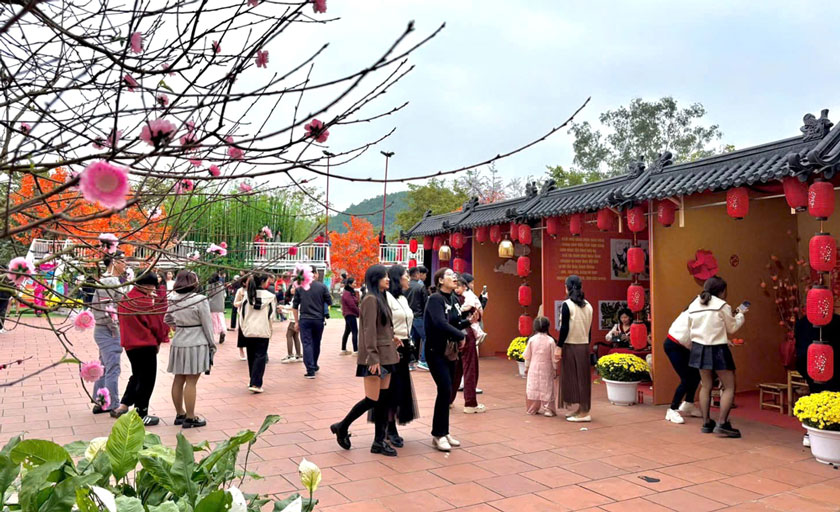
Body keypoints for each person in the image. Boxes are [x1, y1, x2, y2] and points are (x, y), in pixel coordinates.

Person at [330, 265, 400, 456]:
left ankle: (378, 442)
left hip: (386, 354)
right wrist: (373, 356)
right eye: (384, 276)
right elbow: (368, 330)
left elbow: (380, 327)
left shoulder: (381, 298)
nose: (388, 279)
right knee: (372, 399)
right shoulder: (370, 299)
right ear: (375, 278)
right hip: (375, 357)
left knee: (383, 401)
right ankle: (342, 426)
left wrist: (392, 338)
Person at [687, 275, 746, 438]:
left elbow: (690, 327)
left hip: (699, 348)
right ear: (721, 291)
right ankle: (722, 423)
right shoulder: (722, 306)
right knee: (729, 386)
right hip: (718, 349)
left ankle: (706, 423)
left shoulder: (694, 304)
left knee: (705, 386)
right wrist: (740, 314)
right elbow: (732, 327)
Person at [110, 272, 169, 425]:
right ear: (149, 285)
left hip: (130, 344)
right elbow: (155, 324)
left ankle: (124, 405)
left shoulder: (127, 298)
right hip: (145, 344)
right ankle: (141, 413)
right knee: (147, 379)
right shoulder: (144, 301)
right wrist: (159, 340)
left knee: (137, 375)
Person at [424, 267, 469, 451]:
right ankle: (438, 434)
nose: (454, 277)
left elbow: (455, 321)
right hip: (436, 351)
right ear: (440, 280)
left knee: (448, 390)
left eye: (455, 275)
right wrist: (461, 335)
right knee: (444, 389)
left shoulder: (453, 299)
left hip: (450, 351)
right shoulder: (435, 299)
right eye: (450, 275)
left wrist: (469, 321)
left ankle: (445, 430)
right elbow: (439, 323)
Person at [165, 270, 216, 428]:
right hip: (196, 341)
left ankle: (180, 413)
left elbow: (166, 318)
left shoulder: (172, 299)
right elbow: (207, 324)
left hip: (179, 340)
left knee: (178, 379)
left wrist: (178, 325)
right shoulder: (199, 299)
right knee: (192, 382)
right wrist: (212, 345)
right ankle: (191, 417)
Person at [383, 265, 419, 446]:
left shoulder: (403, 298)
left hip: (405, 346)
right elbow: (381, 324)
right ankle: (389, 427)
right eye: (406, 275)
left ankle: (391, 426)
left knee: (400, 387)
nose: (409, 278)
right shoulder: (386, 298)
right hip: (392, 346)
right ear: (398, 278)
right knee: (391, 387)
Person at [795, 309, 840, 447]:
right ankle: (818, 430)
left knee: (818, 394)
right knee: (826, 394)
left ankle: (814, 431)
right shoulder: (836, 320)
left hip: (813, 366)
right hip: (824, 366)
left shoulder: (803, 322)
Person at [91, 252, 127, 414]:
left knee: (104, 367)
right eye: (123, 261)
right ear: (114, 262)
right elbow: (109, 312)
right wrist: (116, 331)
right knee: (112, 368)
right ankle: (113, 404)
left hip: (104, 329)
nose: (125, 265)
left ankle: (101, 402)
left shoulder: (108, 281)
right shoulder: (110, 282)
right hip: (108, 330)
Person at [557, 275, 594, 422]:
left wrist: (559, 346)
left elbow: (564, 328)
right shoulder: (589, 306)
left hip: (571, 345)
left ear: (567, 287)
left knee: (573, 378)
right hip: (584, 345)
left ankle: (584, 412)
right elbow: (589, 330)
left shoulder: (567, 305)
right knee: (582, 379)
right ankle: (582, 409)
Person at [238, 272, 277, 393]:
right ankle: (256, 383)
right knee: (260, 356)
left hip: (249, 330)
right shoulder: (270, 297)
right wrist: (270, 329)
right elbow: (272, 316)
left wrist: (244, 328)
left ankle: (253, 380)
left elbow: (242, 315)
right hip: (263, 329)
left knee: (251, 355)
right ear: (264, 282)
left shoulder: (247, 296)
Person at [451, 276, 484, 414]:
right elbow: (478, 314)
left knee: (456, 369)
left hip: (454, 334)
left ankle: (448, 399)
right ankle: (470, 403)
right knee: (470, 368)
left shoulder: (448, 299)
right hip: (466, 333)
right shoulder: (466, 298)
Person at [663, 307, 702, 424]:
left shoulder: (698, 309)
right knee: (686, 379)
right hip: (673, 345)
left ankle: (688, 404)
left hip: (684, 347)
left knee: (696, 375)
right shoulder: (695, 311)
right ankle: (672, 409)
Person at [292, 266, 332, 378]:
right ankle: (314, 364)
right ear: (315, 274)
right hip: (318, 319)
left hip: (305, 319)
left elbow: (295, 306)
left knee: (307, 343)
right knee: (316, 342)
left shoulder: (300, 287)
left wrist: (296, 322)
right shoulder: (322, 287)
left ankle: (310, 369)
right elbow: (329, 301)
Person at [524, 316, 557, 416]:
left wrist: (526, 367)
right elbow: (553, 357)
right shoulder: (551, 341)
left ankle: (532, 409)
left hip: (534, 366)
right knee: (547, 387)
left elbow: (527, 356)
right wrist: (555, 368)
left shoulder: (531, 340)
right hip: (547, 367)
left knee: (533, 386)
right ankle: (548, 409)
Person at [406, 266, 429, 370]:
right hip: (419, 316)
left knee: (412, 339)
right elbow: (425, 303)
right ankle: (423, 360)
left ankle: (410, 362)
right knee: (426, 337)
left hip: (408, 316)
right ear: (416, 274)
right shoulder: (420, 287)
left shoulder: (405, 286)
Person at [281, 286, 303, 363]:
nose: (291, 289)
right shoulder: (298, 296)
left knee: (289, 335)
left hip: (294, 320)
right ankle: (299, 355)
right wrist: (283, 310)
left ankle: (290, 355)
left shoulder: (297, 297)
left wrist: (283, 307)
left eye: (293, 287)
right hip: (297, 319)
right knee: (295, 336)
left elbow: (294, 308)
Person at [340, 277, 360, 355]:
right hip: (350, 314)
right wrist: (359, 313)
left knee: (347, 331)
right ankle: (356, 350)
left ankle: (343, 349)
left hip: (349, 314)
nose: (355, 284)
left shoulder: (350, 292)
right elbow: (352, 306)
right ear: (349, 284)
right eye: (354, 283)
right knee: (355, 331)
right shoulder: (347, 293)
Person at [206, 272, 227, 344]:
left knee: (213, 321)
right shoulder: (221, 285)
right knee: (221, 319)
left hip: (212, 306)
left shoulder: (210, 286)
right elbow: (224, 294)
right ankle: (222, 331)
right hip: (221, 306)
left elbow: (208, 295)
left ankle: (212, 335)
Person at [233, 279, 249, 360]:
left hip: (251, 315)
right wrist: (243, 301)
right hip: (242, 315)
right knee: (242, 333)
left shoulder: (254, 289)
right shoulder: (240, 291)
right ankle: (241, 350)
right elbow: (235, 303)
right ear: (244, 282)